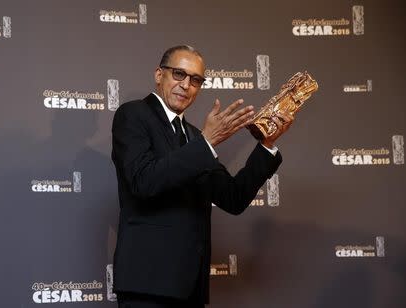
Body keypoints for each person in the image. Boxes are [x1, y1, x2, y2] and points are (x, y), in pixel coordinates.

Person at [111, 45, 293, 308]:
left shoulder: (195, 136)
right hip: (147, 283)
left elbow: (233, 197)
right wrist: (207, 143)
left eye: (195, 80)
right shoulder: (134, 115)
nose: (186, 85)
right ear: (159, 75)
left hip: (190, 287)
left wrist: (267, 144)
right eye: (179, 74)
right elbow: (144, 181)